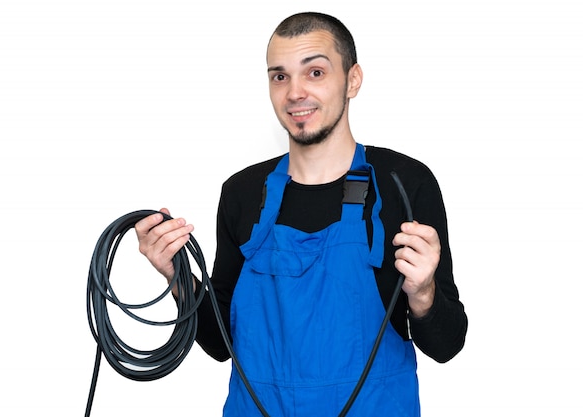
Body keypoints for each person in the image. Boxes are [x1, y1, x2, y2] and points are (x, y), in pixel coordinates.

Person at [135, 11, 467, 416]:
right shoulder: (242, 193)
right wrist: (177, 276)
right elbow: (221, 345)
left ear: (353, 79)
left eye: (315, 73)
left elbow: (448, 345)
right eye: (280, 76)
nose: (295, 92)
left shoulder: (404, 185)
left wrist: (424, 293)